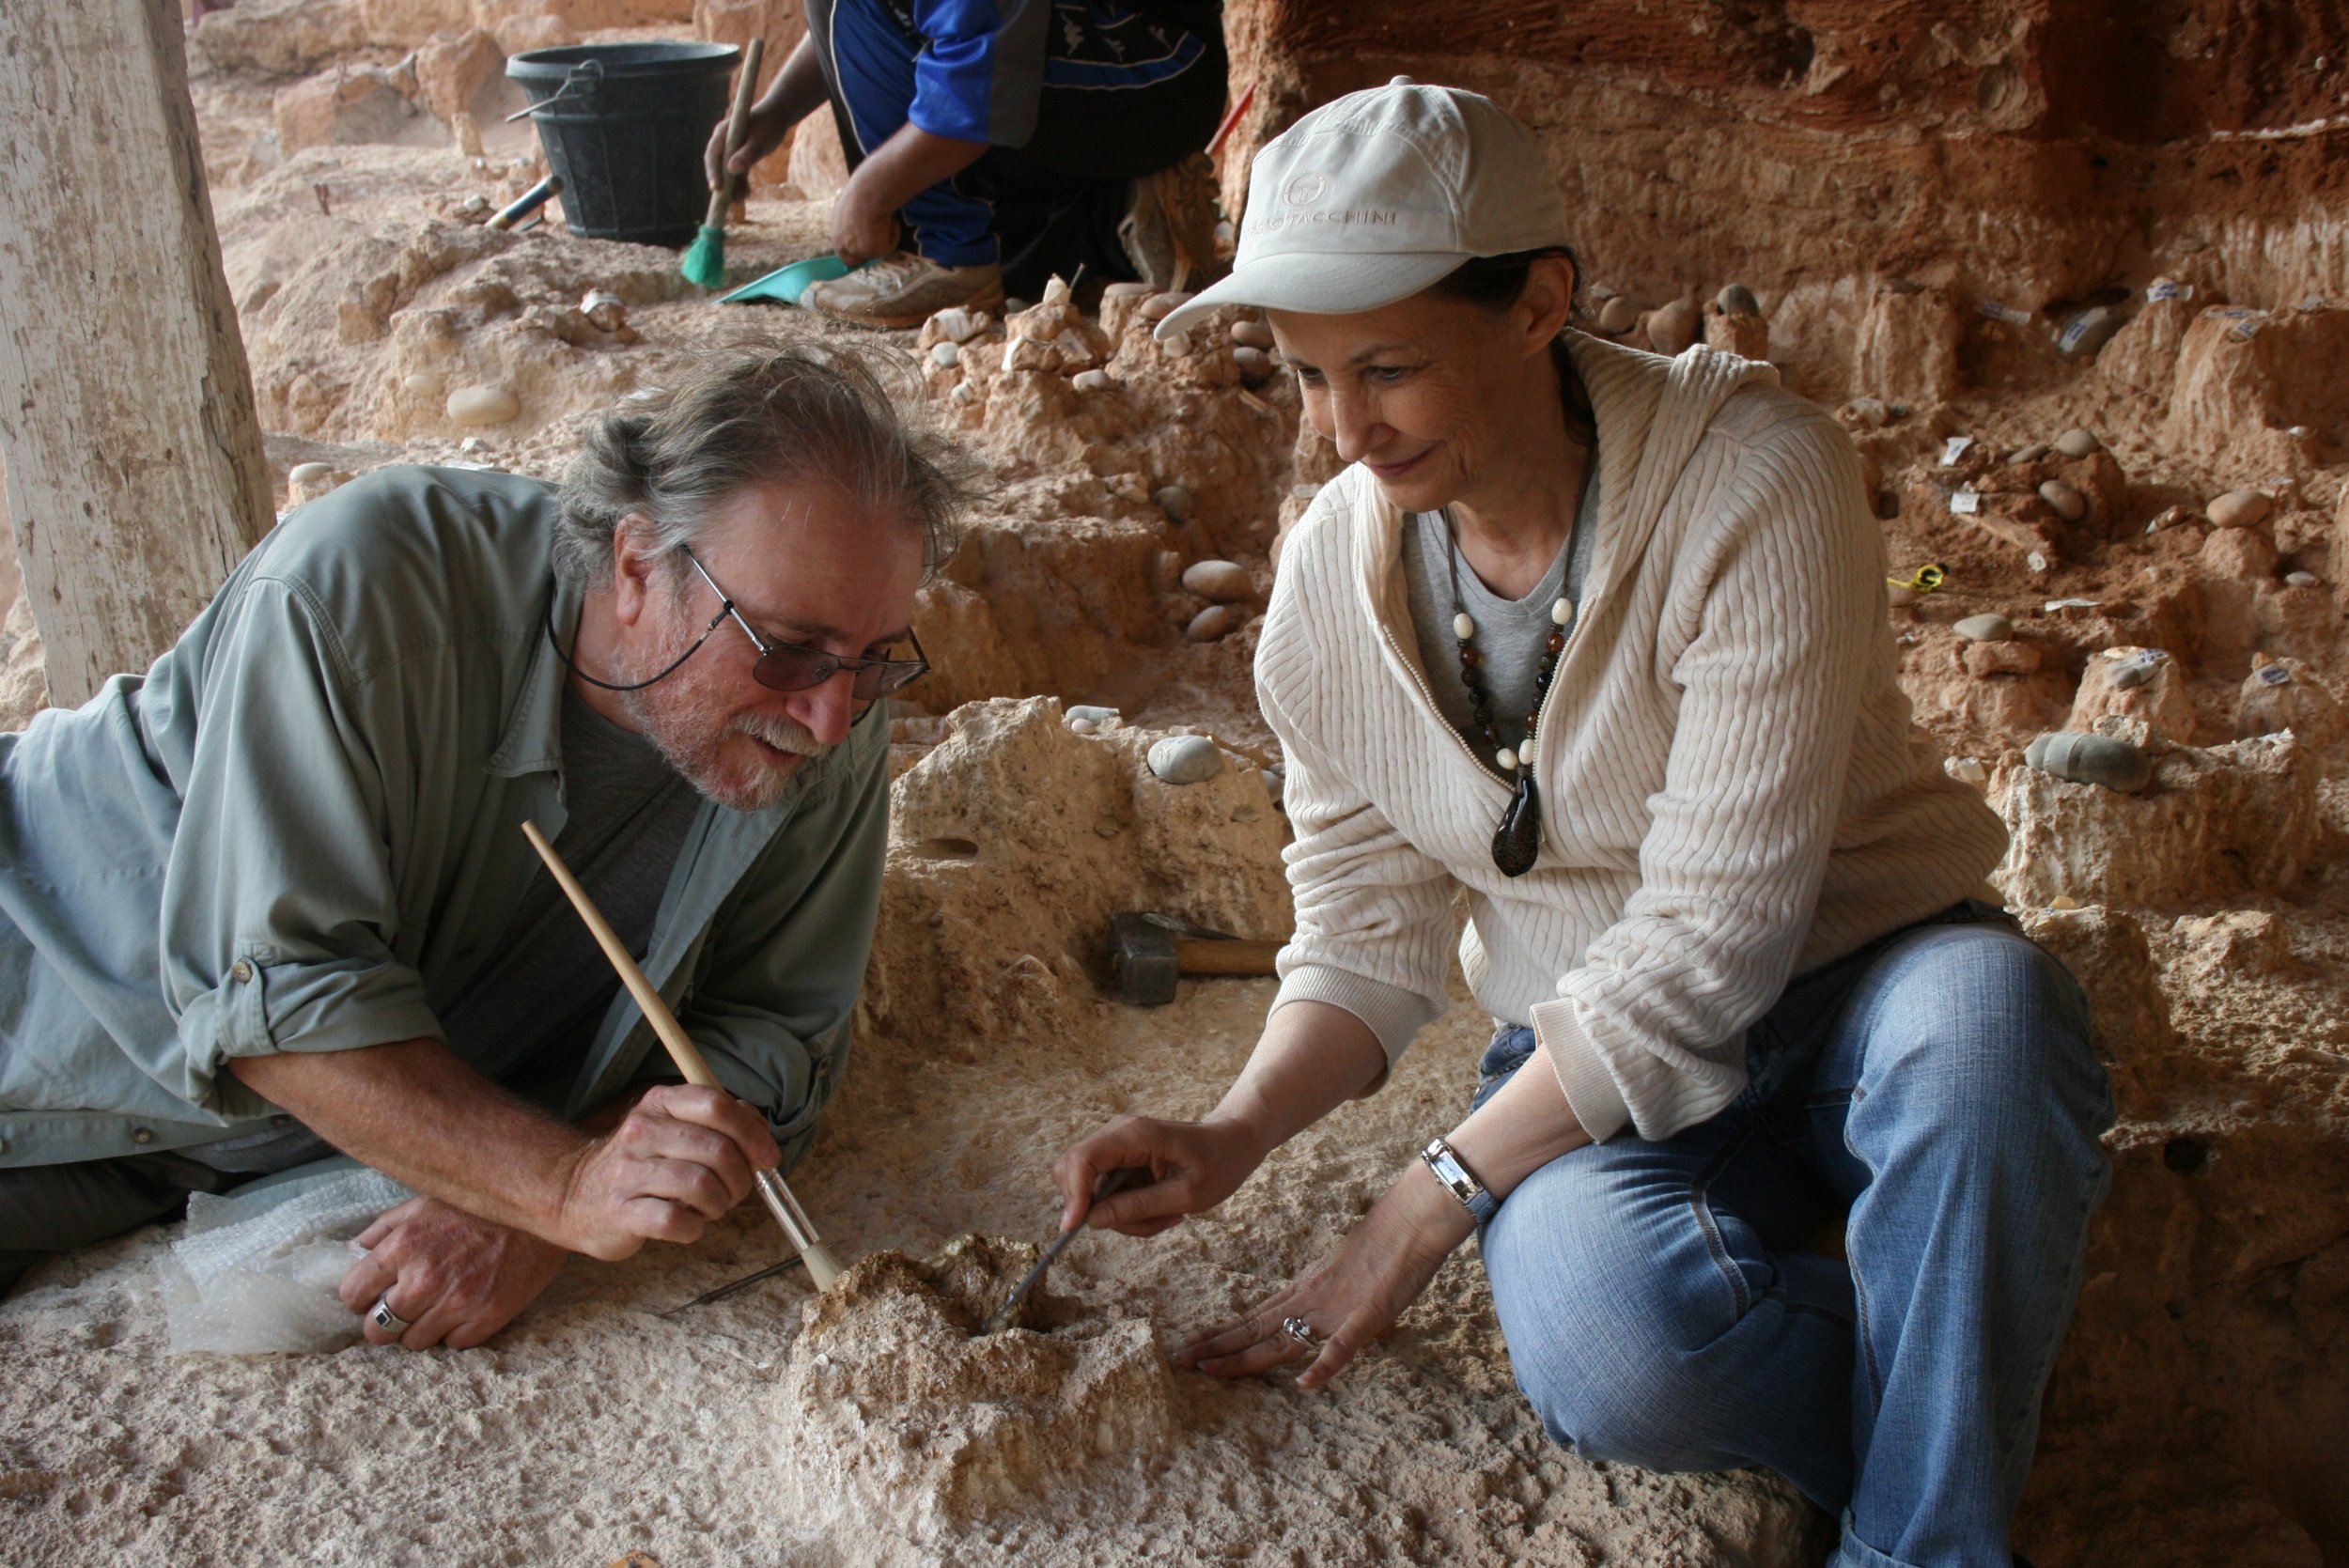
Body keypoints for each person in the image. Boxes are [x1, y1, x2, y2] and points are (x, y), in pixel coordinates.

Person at [1050, 82, 2112, 1568]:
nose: (1344, 430)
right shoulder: (1322, 595)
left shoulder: (1755, 477)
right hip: (1580, 1057)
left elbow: (1713, 943)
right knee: (1617, 1350)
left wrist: (1420, 1204)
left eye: (1392, 367)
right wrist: (1232, 1132)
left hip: (1872, 988)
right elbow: (1366, 933)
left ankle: (1924, 1539)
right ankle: (1965, 1350)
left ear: (1540, 302)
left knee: (1991, 1029)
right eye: (1304, 375)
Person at [0, 343, 971, 1349]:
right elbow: (272, 1004)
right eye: (786, 647)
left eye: (870, 662)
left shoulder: (828, 721)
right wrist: (549, 1186)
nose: (826, 716)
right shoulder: (367, 585)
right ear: (639, 565)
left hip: (235, 1166)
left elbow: (773, 1038)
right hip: (51, 1031)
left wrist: (580, 1181)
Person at [706, 0, 1228, 327]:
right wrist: (776, 110)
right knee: (1009, 260)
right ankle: (1113, 213)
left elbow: (974, 86)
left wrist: (871, 193)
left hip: (1160, 65)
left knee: (948, 219)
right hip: (1138, 63)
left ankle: (948, 259)